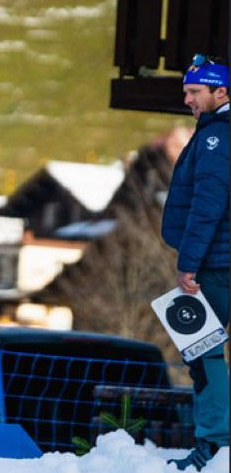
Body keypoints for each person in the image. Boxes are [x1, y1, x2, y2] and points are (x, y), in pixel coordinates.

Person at [161, 54, 229, 471]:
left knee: (202, 352)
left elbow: (209, 202)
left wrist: (189, 263)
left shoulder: (215, 137)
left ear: (220, 92)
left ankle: (214, 444)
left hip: (215, 265)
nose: (187, 99)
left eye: (194, 91)